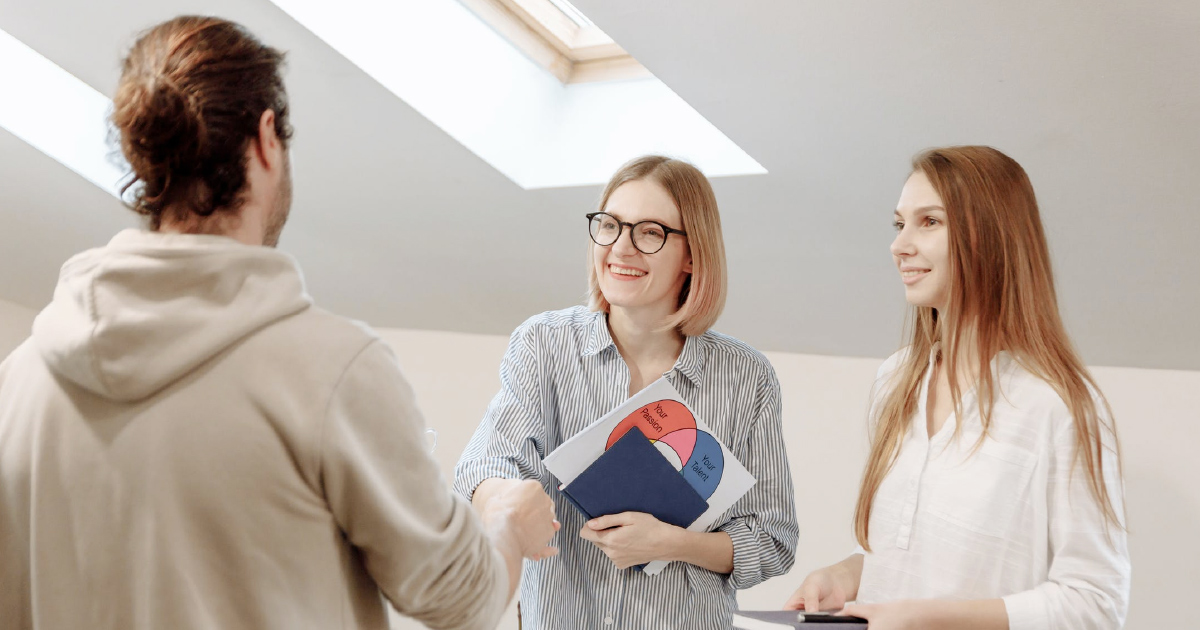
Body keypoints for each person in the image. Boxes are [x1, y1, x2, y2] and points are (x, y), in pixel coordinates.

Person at [0, 16, 557, 630]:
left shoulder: (18, 385)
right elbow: (463, 598)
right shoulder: (332, 371)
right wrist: (506, 525)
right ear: (267, 138)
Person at [784, 146, 1130, 629]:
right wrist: (848, 573)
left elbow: (1096, 602)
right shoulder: (895, 380)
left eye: (929, 222)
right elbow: (919, 556)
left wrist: (932, 619)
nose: (900, 245)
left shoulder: (1057, 405)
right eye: (899, 224)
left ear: (990, 237)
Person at [454, 155, 798, 629]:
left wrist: (673, 543)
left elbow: (774, 540)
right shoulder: (544, 344)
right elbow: (483, 463)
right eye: (610, 225)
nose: (621, 248)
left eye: (650, 232)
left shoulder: (746, 377)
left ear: (693, 253)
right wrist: (508, 501)